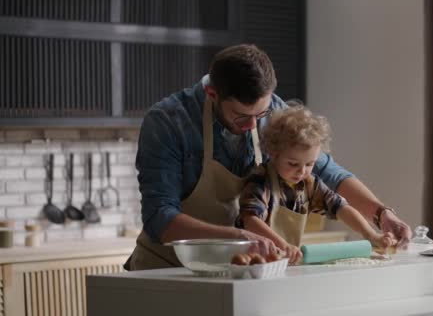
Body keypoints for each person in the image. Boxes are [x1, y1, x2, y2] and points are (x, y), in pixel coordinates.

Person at [125, 44, 412, 270]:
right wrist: (238, 236)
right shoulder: (169, 121)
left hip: (239, 273)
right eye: (241, 116)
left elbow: (327, 172)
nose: (253, 126)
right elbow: (159, 220)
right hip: (168, 272)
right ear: (212, 93)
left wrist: (381, 214)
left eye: (259, 115)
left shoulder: (274, 110)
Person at [237, 104, 396, 263]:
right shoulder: (260, 181)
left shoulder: (309, 184)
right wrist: (283, 245)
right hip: (253, 261)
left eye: (309, 164)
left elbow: (340, 207)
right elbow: (250, 220)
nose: (301, 172)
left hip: (285, 260)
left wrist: (370, 235)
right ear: (273, 153)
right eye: (293, 164)